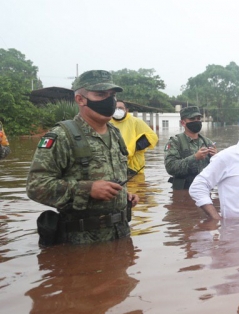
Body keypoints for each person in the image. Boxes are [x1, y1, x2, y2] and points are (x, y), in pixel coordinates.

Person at [26, 70, 140, 245]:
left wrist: (123, 195)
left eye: (112, 95)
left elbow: (109, 176)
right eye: (100, 94)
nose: (109, 101)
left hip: (121, 236)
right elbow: (36, 186)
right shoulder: (62, 136)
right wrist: (88, 190)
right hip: (81, 242)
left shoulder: (115, 134)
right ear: (80, 99)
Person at [164, 106, 217, 190]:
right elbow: (170, 168)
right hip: (183, 191)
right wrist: (195, 158)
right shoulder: (175, 142)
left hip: (204, 191)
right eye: (192, 119)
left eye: (198, 118)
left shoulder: (208, 142)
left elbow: (216, 171)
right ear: (183, 123)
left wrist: (216, 157)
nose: (196, 121)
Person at [111, 100, 159, 178]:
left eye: (120, 108)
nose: (117, 110)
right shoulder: (106, 122)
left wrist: (135, 147)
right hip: (114, 167)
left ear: (126, 110)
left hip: (133, 166)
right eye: (115, 108)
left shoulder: (136, 122)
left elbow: (152, 137)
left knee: (136, 188)